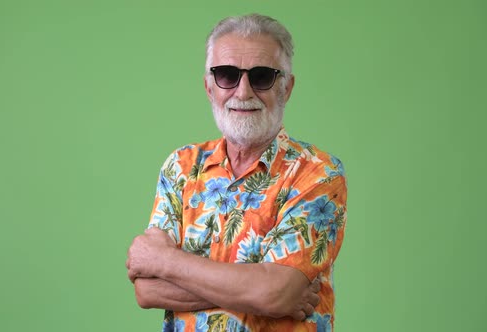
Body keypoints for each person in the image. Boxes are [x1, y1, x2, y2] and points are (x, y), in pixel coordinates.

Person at [126, 13, 347, 332]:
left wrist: (165, 262)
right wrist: (258, 290)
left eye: (261, 77)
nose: (243, 92)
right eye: (227, 75)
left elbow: (275, 292)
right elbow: (147, 290)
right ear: (208, 87)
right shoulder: (181, 167)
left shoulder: (317, 173)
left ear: (286, 88)